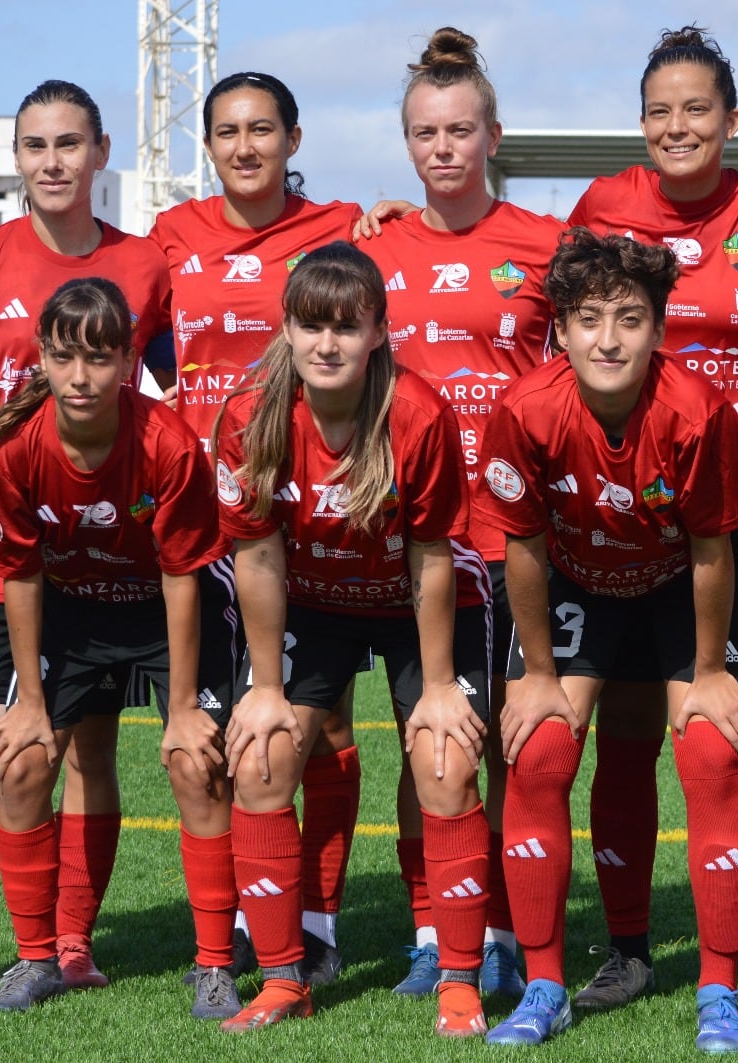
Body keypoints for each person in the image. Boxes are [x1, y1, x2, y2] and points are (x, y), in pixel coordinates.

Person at [559, 25, 738, 1015]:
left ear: (732, 119)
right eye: (660, 111)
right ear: (641, 124)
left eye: (697, 109)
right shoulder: (604, 206)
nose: (678, 126)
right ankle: (628, 948)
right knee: (627, 727)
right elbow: (566, 314)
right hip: (633, 511)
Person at [0, 79, 172, 1001]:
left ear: (100, 153)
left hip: (102, 559)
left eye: (69, 144)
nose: (52, 162)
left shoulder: (147, 266)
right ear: (18, 159)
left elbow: (189, 374)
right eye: (34, 146)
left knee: (91, 753)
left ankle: (69, 943)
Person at [476, 229, 738, 1052]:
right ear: (558, 330)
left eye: (630, 318)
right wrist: (535, 674)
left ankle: (717, 987)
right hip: (579, 579)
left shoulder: (699, 413)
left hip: (683, 583)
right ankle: (544, 984)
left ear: (661, 327)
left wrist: (709, 671)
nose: (608, 338)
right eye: (588, 318)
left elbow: (712, 548)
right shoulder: (525, 410)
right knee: (539, 752)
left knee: (711, 752)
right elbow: (522, 547)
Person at [212, 242, 493, 1036]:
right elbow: (259, 559)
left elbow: (432, 557)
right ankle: (281, 980)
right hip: (314, 602)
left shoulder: (420, 413)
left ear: (379, 331)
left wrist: (438, 688)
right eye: (311, 325)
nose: (327, 343)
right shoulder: (250, 414)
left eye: (346, 326)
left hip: (420, 604)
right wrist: (265, 690)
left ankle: (459, 980)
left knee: (444, 758)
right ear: (288, 329)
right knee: (261, 758)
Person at [0, 277, 236, 1014]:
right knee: (21, 763)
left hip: (167, 609)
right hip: (74, 611)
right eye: (63, 357)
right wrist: (30, 701)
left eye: (99, 358)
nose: (81, 377)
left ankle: (214, 961)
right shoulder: (14, 449)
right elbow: (18, 576)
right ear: (42, 359)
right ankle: (36, 957)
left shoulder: (168, 445)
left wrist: (181, 707)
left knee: (194, 762)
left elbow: (183, 578)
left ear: (128, 360)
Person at [355, 26, 563, 999]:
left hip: (516, 539)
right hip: (418, 542)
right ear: (407, 142)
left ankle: (517, 931)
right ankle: (437, 934)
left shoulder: (546, 248)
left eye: (460, 129)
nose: (442, 148)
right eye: (424, 132)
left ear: (493, 133)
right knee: (427, 742)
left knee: (522, 749)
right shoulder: (372, 248)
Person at [148, 71, 367, 986]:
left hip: (297, 518)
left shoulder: (347, 227)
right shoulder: (169, 238)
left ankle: (313, 921)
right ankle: (229, 931)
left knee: (316, 725)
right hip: (198, 521)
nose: (246, 146)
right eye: (228, 132)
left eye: (263, 129)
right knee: (203, 734)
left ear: (294, 139)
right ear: (207, 146)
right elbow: (122, 342)